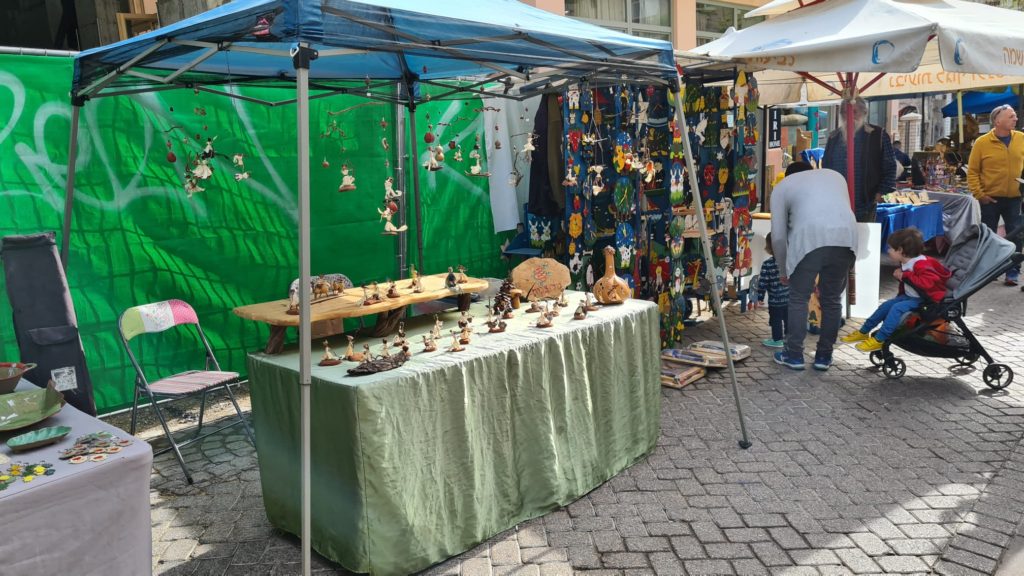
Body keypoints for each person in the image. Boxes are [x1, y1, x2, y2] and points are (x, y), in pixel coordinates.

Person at [770, 161, 858, 371]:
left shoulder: (782, 187)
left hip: (809, 240)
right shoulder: (835, 176)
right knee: (832, 299)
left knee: (798, 298)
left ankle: (794, 355)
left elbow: (779, 237)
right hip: (846, 239)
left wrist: (783, 270)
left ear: (787, 174)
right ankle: (824, 356)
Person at [841, 227, 950, 352]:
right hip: (911, 296)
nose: (888, 251)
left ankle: (880, 339)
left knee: (896, 308)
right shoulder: (907, 261)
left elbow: (928, 283)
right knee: (886, 305)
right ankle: (864, 331)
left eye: (891, 248)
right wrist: (902, 277)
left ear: (900, 250)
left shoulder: (921, 264)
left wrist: (905, 276)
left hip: (924, 299)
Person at [966, 103, 1024, 286]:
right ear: (998, 121)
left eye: (1015, 116)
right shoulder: (982, 143)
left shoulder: (1022, 138)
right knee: (989, 236)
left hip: (1015, 197)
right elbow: (973, 171)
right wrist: (980, 194)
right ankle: (988, 271)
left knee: (1015, 234)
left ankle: (1012, 272)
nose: (1015, 118)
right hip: (990, 198)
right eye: (1011, 116)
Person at [822, 97, 898, 222]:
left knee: (863, 240)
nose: (849, 116)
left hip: (866, 203)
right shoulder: (833, 137)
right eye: (845, 112)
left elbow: (890, 166)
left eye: (854, 112)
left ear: (864, 113)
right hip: (838, 204)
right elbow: (826, 168)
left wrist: (880, 193)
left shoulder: (877, 135)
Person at [752, 233, 789, 348]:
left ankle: (777, 340)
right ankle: (789, 339)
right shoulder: (790, 261)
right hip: (790, 299)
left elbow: (763, 282)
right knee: (790, 320)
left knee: (776, 320)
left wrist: (760, 297)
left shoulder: (767, 264)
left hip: (775, 301)